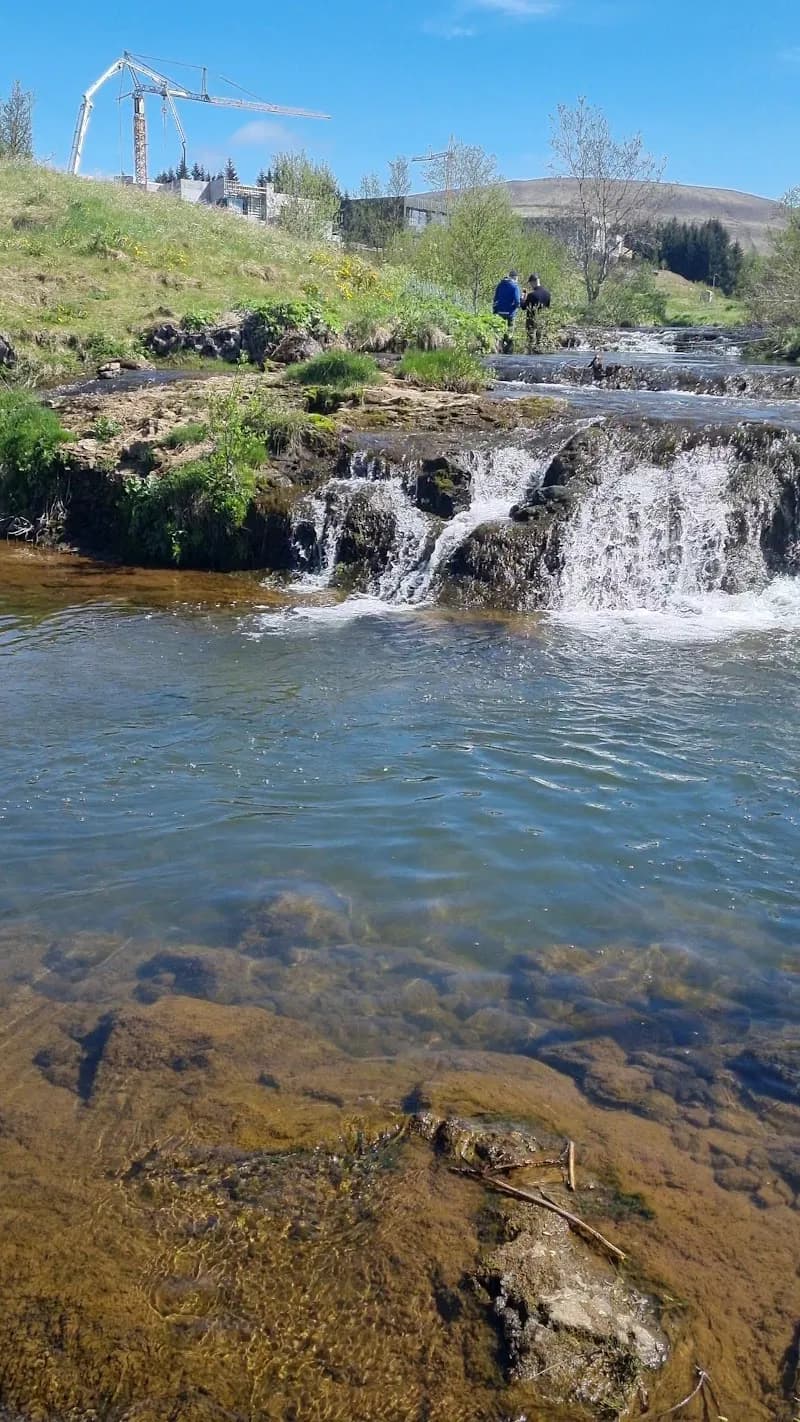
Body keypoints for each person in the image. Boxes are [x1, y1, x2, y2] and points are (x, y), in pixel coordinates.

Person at [521, 273, 552, 354]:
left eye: (530, 283)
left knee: (531, 341)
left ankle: (531, 354)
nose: (530, 285)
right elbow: (547, 308)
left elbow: (523, 307)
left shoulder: (531, 295)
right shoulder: (547, 294)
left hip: (531, 320)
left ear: (533, 282)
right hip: (542, 320)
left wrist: (523, 298)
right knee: (540, 341)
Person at [493, 270, 522, 352]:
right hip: (510, 313)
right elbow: (517, 301)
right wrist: (516, 307)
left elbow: (495, 299)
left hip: (499, 312)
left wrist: (495, 310)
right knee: (509, 332)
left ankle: (499, 348)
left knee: (499, 332)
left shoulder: (500, 285)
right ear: (515, 277)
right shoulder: (515, 286)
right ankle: (508, 350)